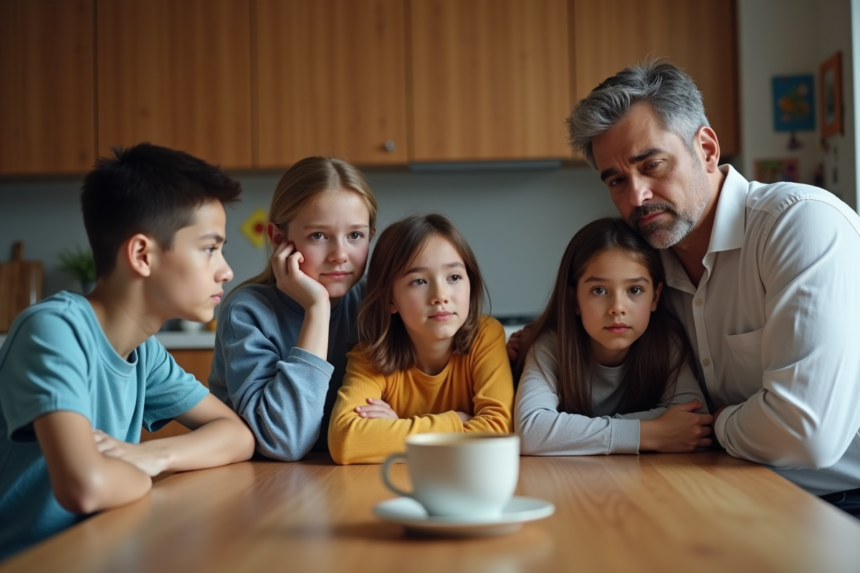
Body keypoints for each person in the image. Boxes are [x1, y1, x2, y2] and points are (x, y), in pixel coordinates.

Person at [562, 59, 860, 513]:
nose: (636, 197)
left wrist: (718, 426)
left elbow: (807, 434)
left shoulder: (801, 224)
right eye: (617, 180)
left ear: (705, 148)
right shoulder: (647, 264)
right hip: (728, 491)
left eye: (652, 165)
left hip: (841, 502)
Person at [0, 144, 255, 558]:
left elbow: (236, 435)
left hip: (95, 551)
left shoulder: (144, 352)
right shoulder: (53, 330)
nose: (226, 270)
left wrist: (150, 455)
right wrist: (136, 470)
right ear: (141, 255)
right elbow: (86, 487)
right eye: (210, 248)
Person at [209, 157, 377, 461]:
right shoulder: (246, 311)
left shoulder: (375, 302)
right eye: (318, 236)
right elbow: (286, 440)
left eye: (355, 235)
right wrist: (317, 308)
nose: (340, 255)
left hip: (344, 471)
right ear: (278, 239)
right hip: (261, 482)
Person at [328, 214, 514, 465]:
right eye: (419, 281)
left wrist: (398, 428)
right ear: (390, 299)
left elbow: (498, 432)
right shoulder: (370, 355)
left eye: (454, 277)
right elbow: (345, 441)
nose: (440, 295)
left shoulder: (486, 335)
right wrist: (459, 420)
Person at [515, 218, 710, 455]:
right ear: (574, 299)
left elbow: (694, 419)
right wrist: (650, 433)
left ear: (655, 297)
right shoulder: (550, 347)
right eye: (599, 290)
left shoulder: (666, 343)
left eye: (634, 290)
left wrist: (573, 431)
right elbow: (530, 431)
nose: (617, 307)